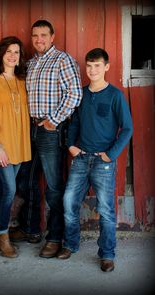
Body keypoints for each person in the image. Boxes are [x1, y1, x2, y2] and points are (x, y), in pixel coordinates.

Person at [57, 48, 133, 272]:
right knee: (69, 201)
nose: (92, 70)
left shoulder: (115, 95)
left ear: (106, 67)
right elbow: (75, 124)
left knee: (106, 210)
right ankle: (70, 244)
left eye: (97, 66)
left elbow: (127, 128)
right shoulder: (82, 94)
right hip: (81, 158)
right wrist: (71, 145)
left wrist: (111, 154)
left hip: (104, 161)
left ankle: (107, 254)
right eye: (89, 66)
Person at [24, 19, 82, 258]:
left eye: (43, 35)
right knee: (25, 181)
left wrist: (53, 120)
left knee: (54, 187)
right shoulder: (30, 63)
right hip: (29, 129)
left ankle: (56, 236)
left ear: (52, 36)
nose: (39, 40)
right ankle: (31, 229)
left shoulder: (62, 60)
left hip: (50, 130)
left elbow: (75, 93)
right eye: (35, 35)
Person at [0, 36, 31, 258]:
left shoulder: (22, 81)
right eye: (9, 51)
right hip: (0, 145)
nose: (13, 56)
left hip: (20, 144)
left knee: (5, 189)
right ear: (1, 54)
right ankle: (2, 234)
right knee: (10, 189)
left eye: (17, 52)